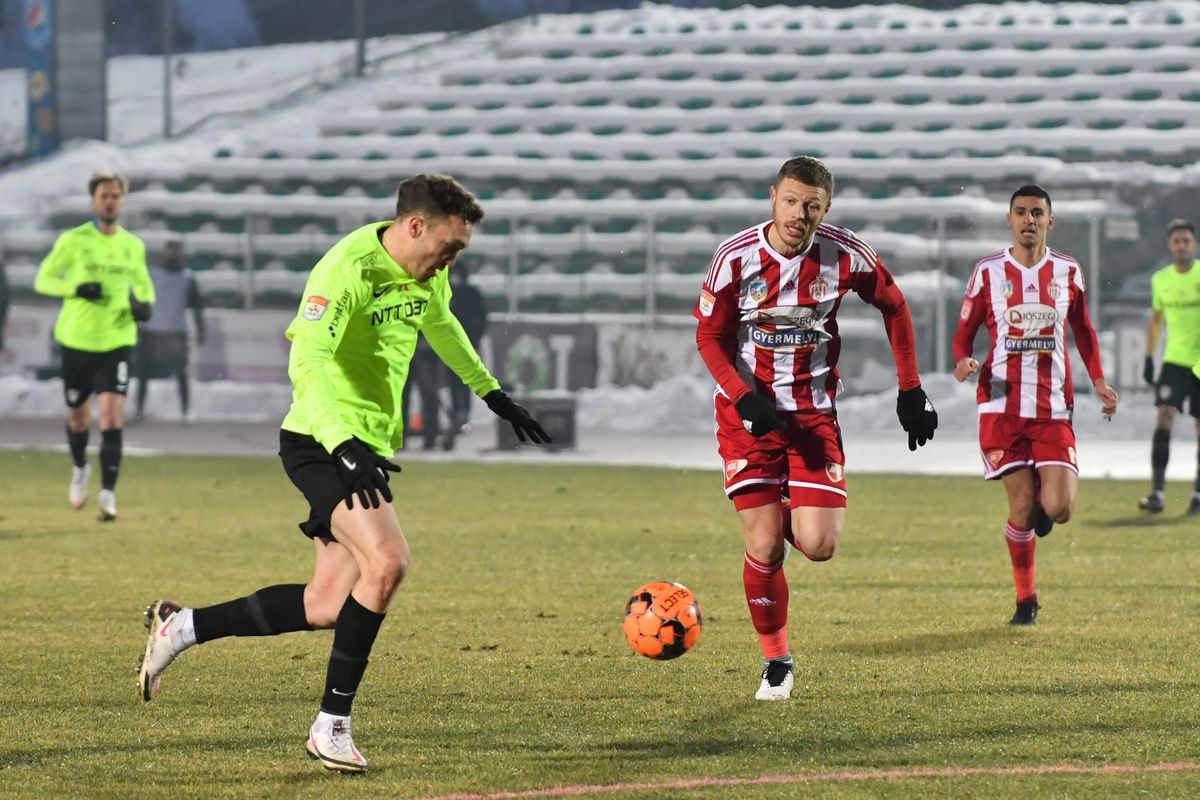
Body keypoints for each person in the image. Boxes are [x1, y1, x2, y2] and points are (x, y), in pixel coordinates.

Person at [136, 174, 551, 773]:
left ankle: (183, 627)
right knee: (388, 563)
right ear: (415, 226)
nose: (452, 260)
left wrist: (492, 394)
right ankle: (331, 726)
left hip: (364, 446)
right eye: (450, 246)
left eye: (459, 250)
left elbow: (442, 325)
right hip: (320, 441)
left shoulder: (427, 273)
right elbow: (307, 361)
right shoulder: (346, 270)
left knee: (327, 601)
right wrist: (343, 445)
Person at [693, 155, 938, 701]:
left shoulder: (844, 254)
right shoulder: (734, 258)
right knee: (763, 546)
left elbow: (895, 306)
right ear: (773, 197)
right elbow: (709, 338)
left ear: (825, 210)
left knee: (819, 545)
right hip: (747, 416)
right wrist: (743, 395)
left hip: (813, 414)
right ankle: (777, 661)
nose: (799, 214)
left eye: (812, 206)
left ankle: (787, 507)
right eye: (790, 201)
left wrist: (910, 388)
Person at [953, 184, 1119, 626]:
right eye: (1021, 212)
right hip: (1001, 407)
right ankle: (1026, 600)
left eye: (1037, 213)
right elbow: (964, 329)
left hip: (1052, 408)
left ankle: (1046, 506)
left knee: (1060, 509)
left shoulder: (1067, 270)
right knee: (1022, 509)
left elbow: (1083, 329)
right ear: (1009, 220)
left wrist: (1099, 381)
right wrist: (962, 360)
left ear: (1050, 221)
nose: (1029, 220)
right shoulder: (988, 271)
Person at [33, 170, 154, 521]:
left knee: (113, 415)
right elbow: (43, 279)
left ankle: (107, 494)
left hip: (116, 340)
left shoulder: (132, 245)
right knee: (77, 417)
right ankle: (79, 468)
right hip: (76, 341)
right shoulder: (73, 241)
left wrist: (145, 305)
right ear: (93, 201)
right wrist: (74, 288)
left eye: (115, 195)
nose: (110, 200)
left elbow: (144, 287)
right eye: (104, 195)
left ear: (121, 200)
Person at [1138, 219, 1200, 514]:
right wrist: (1150, 357)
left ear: (1194, 244)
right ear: (1170, 245)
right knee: (1164, 417)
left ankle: (1198, 494)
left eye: (1186, 241)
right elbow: (1157, 320)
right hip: (1174, 361)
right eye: (1176, 241)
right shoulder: (1160, 280)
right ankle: (1157, 493)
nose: (1181, 246)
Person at [132, 240, 205, 422]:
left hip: (175, 331)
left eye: (176, 251)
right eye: (170, 251)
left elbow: (197, 307)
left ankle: (185, 411)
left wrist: (201, 329)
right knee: (143, 373)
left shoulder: (187, 278)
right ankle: (139, 411)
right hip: (152, 330)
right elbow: (139, 301)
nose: (173, 255)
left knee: (181, 374)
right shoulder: (153, 275)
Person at [445, 262, 489, 449]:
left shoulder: (471, 294)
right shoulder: (445, 294)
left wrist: (474, 339)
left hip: (468, 346)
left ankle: (464, 415)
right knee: (452, 383)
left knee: (465, 382)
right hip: (449, 347)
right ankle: (456, 414)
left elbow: (481, 318)